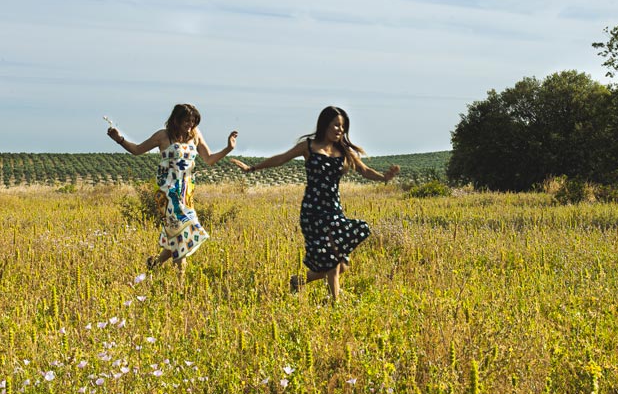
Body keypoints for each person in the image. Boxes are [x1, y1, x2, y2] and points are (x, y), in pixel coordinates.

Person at [230, 106, 399, 302]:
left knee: (340, 262)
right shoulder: (308, 146)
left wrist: (384, 177)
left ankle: (299, 281)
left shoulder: (343, 151)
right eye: (337, 125)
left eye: (343, 127)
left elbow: (364, 170)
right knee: (334, 262)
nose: (340, 130)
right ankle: (335, 303)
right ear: (325, 124)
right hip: (312, 211)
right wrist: (252, 168)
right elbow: (281, 159)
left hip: (334, 210)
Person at [107, 104, 237, 272]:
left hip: (186, 192)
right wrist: (119, 139)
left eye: (193, 121)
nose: (190, 124)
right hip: (168, 192)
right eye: (186, 121)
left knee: (181, 231)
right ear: (176, 120)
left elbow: (209, 159)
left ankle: (154, 264)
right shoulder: (163, 136)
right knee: (181, 232)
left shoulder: (195, 135)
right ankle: (180, 284)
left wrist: (229, 148)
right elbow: (137, 150)